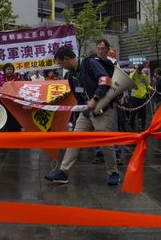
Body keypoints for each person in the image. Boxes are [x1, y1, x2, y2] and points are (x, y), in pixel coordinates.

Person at [44, 46, 120, 185]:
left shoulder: (90, 63)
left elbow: (105, 80)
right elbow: (78, 95)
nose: (61, 66)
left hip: (103, 108)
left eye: (60, 63)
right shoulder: (71, 75)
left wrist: (95, 99)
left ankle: (113, 172)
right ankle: (63, 172)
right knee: (75, 138)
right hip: (86, 111)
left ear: (66, 59)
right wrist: (82, 108)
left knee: (104, 141)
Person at [129, 64, 153, 132]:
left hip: (142, 97)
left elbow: (148, 85)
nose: (139, 70)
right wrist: (134, 71)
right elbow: (129, 80)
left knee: (143, 113)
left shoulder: (144, 76)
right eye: (138, 69)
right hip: (134, 96)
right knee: (133, 113)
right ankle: (131, 126)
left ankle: (143, 126)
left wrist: (152, 89)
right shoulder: (132, 74)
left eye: (140, 69)